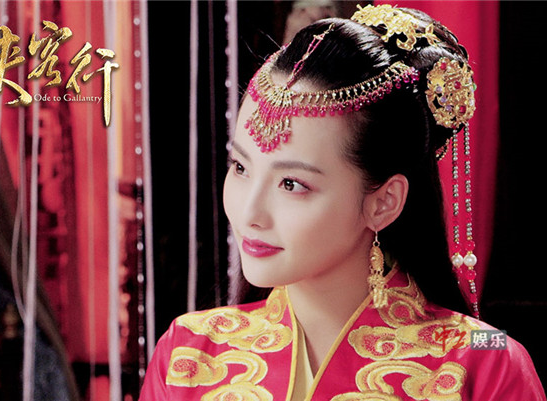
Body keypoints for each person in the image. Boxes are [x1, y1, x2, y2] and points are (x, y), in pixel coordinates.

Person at [139, 5, 546, 400]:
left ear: (383, 202)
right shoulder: (188, 353)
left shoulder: (485, 363)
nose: (249, 213)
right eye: (241, 167)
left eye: (292, 184)